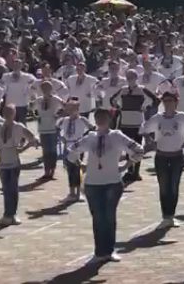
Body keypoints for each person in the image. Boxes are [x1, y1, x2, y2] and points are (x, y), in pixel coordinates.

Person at [66, 108, 145, 263]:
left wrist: (126, 165)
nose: (100, 120)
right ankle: (99, 251)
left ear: (110, 119)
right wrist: (80, 163)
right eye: (98, 117)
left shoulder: (116, 136)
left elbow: (138, 150)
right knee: (97, 218)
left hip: (112, 182)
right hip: (92, 183)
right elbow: (71, 151)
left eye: (104, 117)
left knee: (109, 217)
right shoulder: (90, 137)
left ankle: (109, 250)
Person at [143, 92, 184, 228]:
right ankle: (165, 216)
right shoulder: (158, 118)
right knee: (164, 187)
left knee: (174, 186)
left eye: (170, 100)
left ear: (176, 102)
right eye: (165, 101)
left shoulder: (181, 117)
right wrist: (150, 141)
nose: (168, 103)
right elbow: (144, 129)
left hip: (177, 156)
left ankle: (171, 216)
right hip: (161, 157)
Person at [0, 103, 36, 226]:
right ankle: (7, 214)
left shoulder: (18, 127)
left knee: (13, 189)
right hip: (3, 159)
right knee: (6, 189)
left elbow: (32, 138)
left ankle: (12, 214)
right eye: (6, 112)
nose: (8, 115)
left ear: (14, 114)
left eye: (10, 112)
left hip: (14, 160)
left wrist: (22, 149)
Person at [55, 98, 92, 202]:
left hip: (78, 147)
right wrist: (61, 138)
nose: (71, 111)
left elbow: (92, 128)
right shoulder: (64, 120)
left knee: (77, 169)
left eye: (73, 108)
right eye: (69, 108)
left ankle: (78, 192)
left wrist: (84, 138)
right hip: (67, 146)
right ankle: (71, 192)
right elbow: (57, 128)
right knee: (69, 169)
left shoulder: (82, 120)